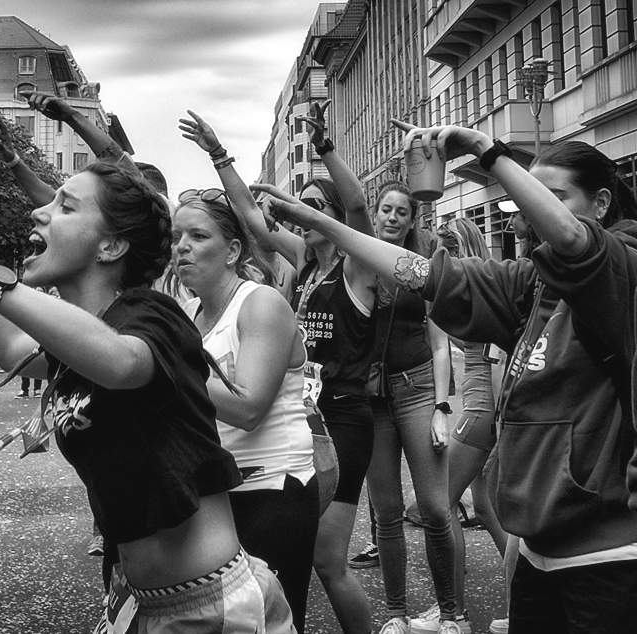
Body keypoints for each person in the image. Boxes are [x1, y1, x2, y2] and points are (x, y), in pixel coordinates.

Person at [0, 167, 294, 633]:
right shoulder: (79, 335)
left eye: (65, 206)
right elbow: (15, 348)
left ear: (111, 247)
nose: (39, 211)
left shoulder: (153, 316)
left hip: (212, 610)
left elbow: (121, 362)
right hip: (136, 604)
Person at [255, 125, 637, 634]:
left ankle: (452, 610)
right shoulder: (531, 283)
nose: (528, 217)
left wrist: (486, 151)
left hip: (605, 555)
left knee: (435, 508)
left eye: (554, 197)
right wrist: (320, 223)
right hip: (537, 549)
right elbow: (422, 271)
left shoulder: (625, 271)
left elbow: (572, 239)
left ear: (602, 203)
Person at [186, 107, 377, 634]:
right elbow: (251, 221)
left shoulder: (359, 265)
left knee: (329, 563)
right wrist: (220, 156)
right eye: (303, 207)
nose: (303, 214)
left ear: (331, 216)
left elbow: (359, 204)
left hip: (344, 413)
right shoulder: (306, 262)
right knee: (308, 562)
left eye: (316, 207)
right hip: (306, 408)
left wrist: (326, 150)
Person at [174, 185, 319, 633]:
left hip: (273, 488)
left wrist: (165, 366)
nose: (182, 247)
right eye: (177, 237)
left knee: (267, 622)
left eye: (198, 236)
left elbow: (249, 406)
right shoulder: (190, 314)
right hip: (217, 491)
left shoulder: (260, 304)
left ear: (233, 250)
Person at [346, 181, 457, 634]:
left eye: (401, 213)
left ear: (413, 220)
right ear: (376, 213)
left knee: (434, 508)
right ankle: (396, 615)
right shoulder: (358, 264)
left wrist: (442, 406)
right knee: (387, 511)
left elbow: (440, 343)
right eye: (385, 210)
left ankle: (451, 614)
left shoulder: (422, 268)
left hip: (416, 391)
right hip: (372, 401)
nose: (392, 218)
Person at [427, 218, 511, 633]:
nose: (445, 260)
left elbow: (495, 361)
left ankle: (452, 612)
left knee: (440, 506)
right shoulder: (479, 290)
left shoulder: (484, 290)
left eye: (449, 251)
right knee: (488, 510)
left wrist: (498, 425)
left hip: (480, 413)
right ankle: (521, 603)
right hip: (482, 412)